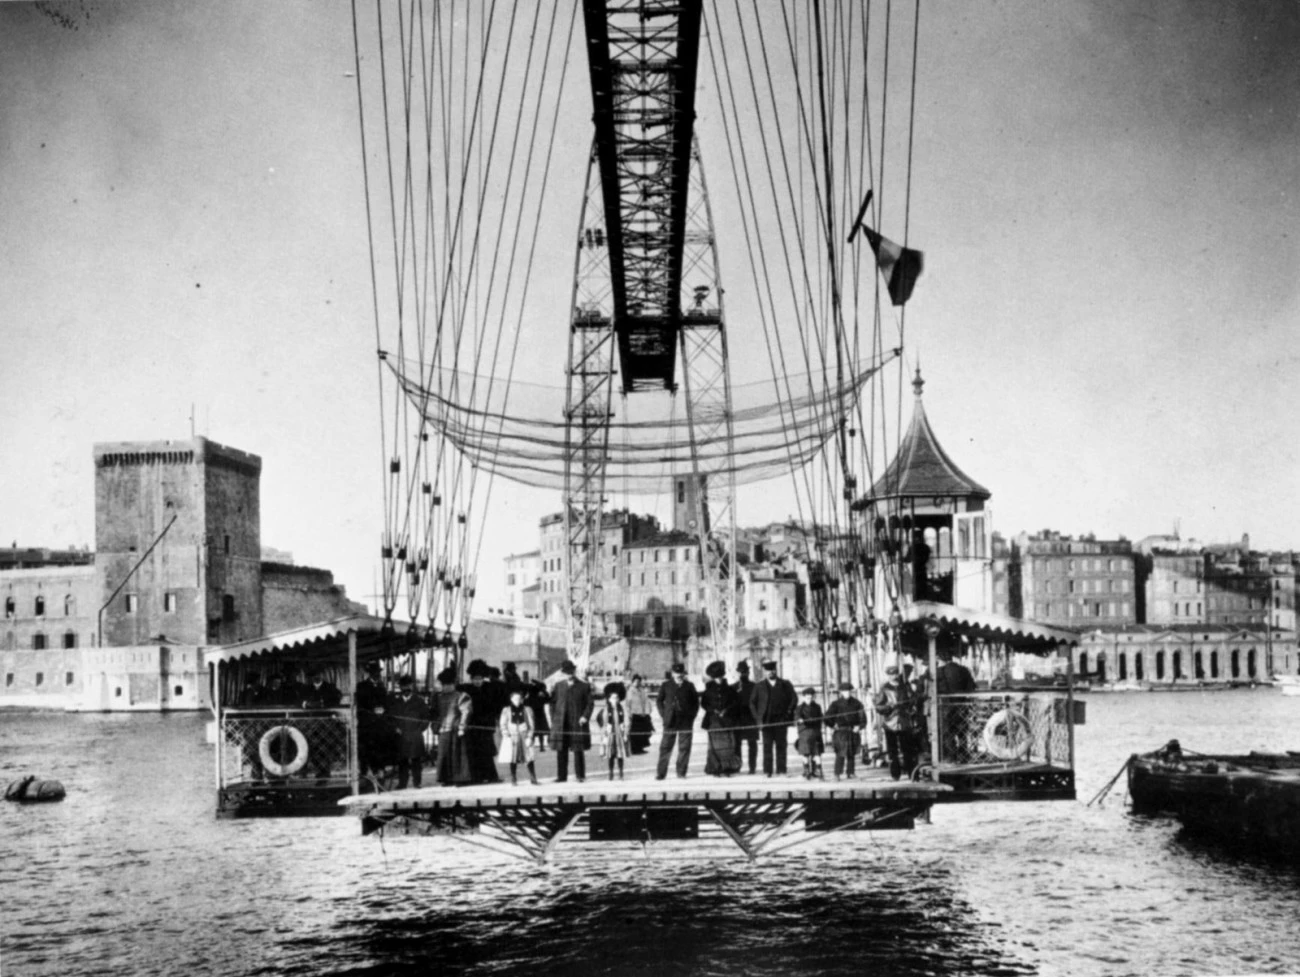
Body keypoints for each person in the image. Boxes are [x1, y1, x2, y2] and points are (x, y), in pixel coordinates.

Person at [750, 660, 796, 777]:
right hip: (766, 722)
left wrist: (789, 711)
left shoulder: (785, 684)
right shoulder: (759, 686)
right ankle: (768, 771)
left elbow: (794, 698)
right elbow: (752, 703)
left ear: (776, 670)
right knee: (767, 747)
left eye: (773, 670)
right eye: (768, 670)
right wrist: (758, 718)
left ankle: (781, 770)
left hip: (781, 721)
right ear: (765, 672)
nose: (771, 672)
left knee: (781, 746)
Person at [550, 660, 593, 783]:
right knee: (561, 749)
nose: (569, 674)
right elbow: (552, 703)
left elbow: (590, 704)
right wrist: (554, 718)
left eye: (571, 671)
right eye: (567, 672)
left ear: (574, 671)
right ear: (563, 673)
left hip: (577, 722)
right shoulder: (558, 686)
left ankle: (580, 775)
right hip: (561, 723)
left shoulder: (584, 686)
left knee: (578, 749)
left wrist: (585, 716)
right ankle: (561, 776)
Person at [874, 665, 918, 781]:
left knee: (908, 750)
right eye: (890, 674)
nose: (893, 676)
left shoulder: (905, 686)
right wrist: (888, 707)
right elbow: (878, 707)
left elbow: (913, 700)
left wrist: (909, 705)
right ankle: (895, 774)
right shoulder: (884, 688)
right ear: (888, 675)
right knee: (892, 751)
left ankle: (912, 774)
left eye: (894, 674)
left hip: (905, 722)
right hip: (890, 723)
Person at [656, 662, 699, 780]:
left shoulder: (690, 686)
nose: (679, 676)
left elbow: (696, 703)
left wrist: (692, 716)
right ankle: (661, 773)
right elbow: (659, 701)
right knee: (665, 747)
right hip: (670, 721)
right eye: (676, 673)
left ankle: (681, 772)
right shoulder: (666, 685)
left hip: (685, 722)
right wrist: (664, 715)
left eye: (681, 673)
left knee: (684, 748)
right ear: (672, 673)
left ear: (684, 674)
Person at [461, 660, 501, 784]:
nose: (477, 681)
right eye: (475, 679)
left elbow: (495, 707)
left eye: (480, 679)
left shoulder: (490, 689)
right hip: (472, 725)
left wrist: (492, 722)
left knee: (487, 752)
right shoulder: (467, 690)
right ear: (471, 679)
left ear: (483, 678)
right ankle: (476, 777)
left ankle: (491, 776)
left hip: (486, 725)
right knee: (473, 752)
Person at [388, 675, 431, 789]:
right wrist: (395, 728)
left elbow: (426, 718)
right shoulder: (396, 702)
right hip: (401, 735)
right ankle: (402, 783)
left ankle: (417, 782)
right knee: (402, 761)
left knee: (416, 760)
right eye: (404, 686)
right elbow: (390, 718)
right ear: (400, 687)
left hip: (415, 735)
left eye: (409, 685)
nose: (406, 688)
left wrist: (420, 729)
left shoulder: (419, 701)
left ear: (412, 686)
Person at [433, 667, 473, 785]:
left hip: (455, 729)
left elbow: (466, 712)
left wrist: (462, 727)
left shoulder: (461, 696)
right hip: (443, 729)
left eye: (448, 684)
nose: (445, 687)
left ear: (453, 684)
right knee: (443, 755)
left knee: (457, 756)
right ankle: (445, 779)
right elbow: (435, 713)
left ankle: (459, 779)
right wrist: (435, 726)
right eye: (443, 684)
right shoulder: (438, 697)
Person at [936, 650, 978, 761]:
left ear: (939, 659)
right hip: (962, 706)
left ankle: (952, 756)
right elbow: (972, 687)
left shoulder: (939, 672)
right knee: (962, 731)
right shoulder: (963, 670)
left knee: (947, 732)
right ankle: (964, 755)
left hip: (945, 707)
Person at [701, 661, 741, 776]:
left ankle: (727, 768)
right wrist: (713, 710)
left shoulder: (730, 690)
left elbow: (736, 702)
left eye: (720, 677)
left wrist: (726, 710)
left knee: (728, 745)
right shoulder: (708, 690)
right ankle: (715, 768)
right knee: (714, 746)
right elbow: (704, 704)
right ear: (713, 678)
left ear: (723, 676)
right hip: (713, 721)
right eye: (716, 678)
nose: (718, 679)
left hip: (727, 720)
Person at [824, 682, 866, 780]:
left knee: (851, 753)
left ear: (851, 692)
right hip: (840, 732)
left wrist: (859, 727)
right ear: (841, 692)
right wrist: (832, 725)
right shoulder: (835, 704)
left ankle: (850, 773)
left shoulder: (857, 703)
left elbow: (863, 718)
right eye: (844, 691)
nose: (847, 693)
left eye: (848, 691)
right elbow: (827, 717)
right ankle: (837, 774)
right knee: (840, 753)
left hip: (853, 731)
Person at [497, 687, 538, 785]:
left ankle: (533, 778)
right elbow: (502, 724)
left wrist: (529, 736)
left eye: (519, 699)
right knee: (512, 758)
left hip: (524, 735)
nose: (517, 701)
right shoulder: (506, 710)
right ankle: (513, 778)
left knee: (529, 757)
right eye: (515, 699)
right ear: (511, 699)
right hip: (512, 736)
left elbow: (531, 725)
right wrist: (506, 735)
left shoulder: (527, 709)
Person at [595, 682, 630, 780]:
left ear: (619, 699)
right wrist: (604, 732)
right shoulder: (606, 709)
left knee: (620, 754)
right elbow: (602, 721)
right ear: (609, 699)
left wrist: (626, 733)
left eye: (616, 698)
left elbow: (627, 721)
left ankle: (621, 773)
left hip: (620, 733)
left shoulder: (623, 709)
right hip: (610, 734)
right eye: (612, 698)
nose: (614, 700)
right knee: (610, 754)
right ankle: (610, 773)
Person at [731, 661, 758, 774]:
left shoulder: (754, 687)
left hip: (751, 719)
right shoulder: (732, 687)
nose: (743, 674)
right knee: (737, 745)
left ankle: (752, 768)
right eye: (741, 672)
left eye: (745, 672)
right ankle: (738, 766)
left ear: (748, 673)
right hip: (737, 720)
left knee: (752, 744)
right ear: (737, 673)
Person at [794, 687, 825, 780]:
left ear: (814, 697)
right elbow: (797, 717)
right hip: (805, 733)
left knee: (816, 753)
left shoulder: (817, 707)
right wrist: (799, 720)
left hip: (815, 732)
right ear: (803, 697)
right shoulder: (799, 708)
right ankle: (807, 771)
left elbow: (820, 718)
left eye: (811, 698)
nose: (809, 699)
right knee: (806, 753)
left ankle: (818, 771)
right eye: (807, 698)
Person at [626, 674, 654, 755]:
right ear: (633, 682)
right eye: (636, 681)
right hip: (634, 714)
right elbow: (628, 704)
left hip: (643, 714)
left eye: (639, 681)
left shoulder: (642, 691)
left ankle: (640, 748)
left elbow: (647, 701)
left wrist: (648, 711)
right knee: (635, 733)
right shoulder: (630, 691)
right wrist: (629, 713)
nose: (637, 683)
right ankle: (634, 749)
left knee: (643, 732)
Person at [524, 675, 552, 752]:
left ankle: (531, 745)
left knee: (532, 730)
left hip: (532, 714)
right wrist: (537, 683)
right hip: (539, 714)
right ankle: (541, 746)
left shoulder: (530, 696)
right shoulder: (540, 696)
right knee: (540, 731)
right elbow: (547, 696)